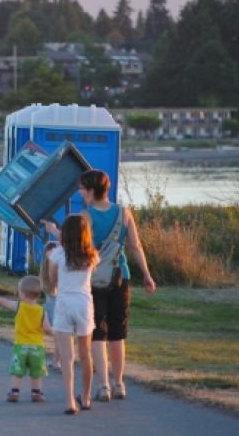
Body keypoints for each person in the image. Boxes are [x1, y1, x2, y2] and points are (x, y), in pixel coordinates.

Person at [78, 169, 156, 402]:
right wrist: (147, 275)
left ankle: (103, 386)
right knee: (117, 332)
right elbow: (136, 247)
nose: (80, 193)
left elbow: (82, 252)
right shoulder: (124, 213)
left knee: (98, 333)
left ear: (91, 191)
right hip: (120, 276)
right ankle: (119, 383)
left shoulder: (85, 216)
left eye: (82, 188)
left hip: (94, 279)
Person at [44, 214, 98, 414]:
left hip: (64, 303)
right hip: (84, 304)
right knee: (85, 355)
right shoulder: (91, 254)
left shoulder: (58, 254)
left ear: (64, 234)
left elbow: (52, 280)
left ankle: (69, 402)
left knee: (67, 357)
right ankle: (86, 397)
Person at [0, 275, 53, 404]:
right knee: (36, 372)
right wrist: (58, 334)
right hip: (37, 347)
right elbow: (47, 329)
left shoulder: (19, 307)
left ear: (23, 294)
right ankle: (36, 393)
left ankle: (14, 392)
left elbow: (2, 301)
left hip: (21, 346)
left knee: (17, 371)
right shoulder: (42, 311)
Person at [39, 240, 61, 372]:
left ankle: (57, 361)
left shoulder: (48, 269)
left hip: (54, 300)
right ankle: (57, 360)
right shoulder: (56, 266)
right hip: (53, 299)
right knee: (59, 332)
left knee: (58, 332)